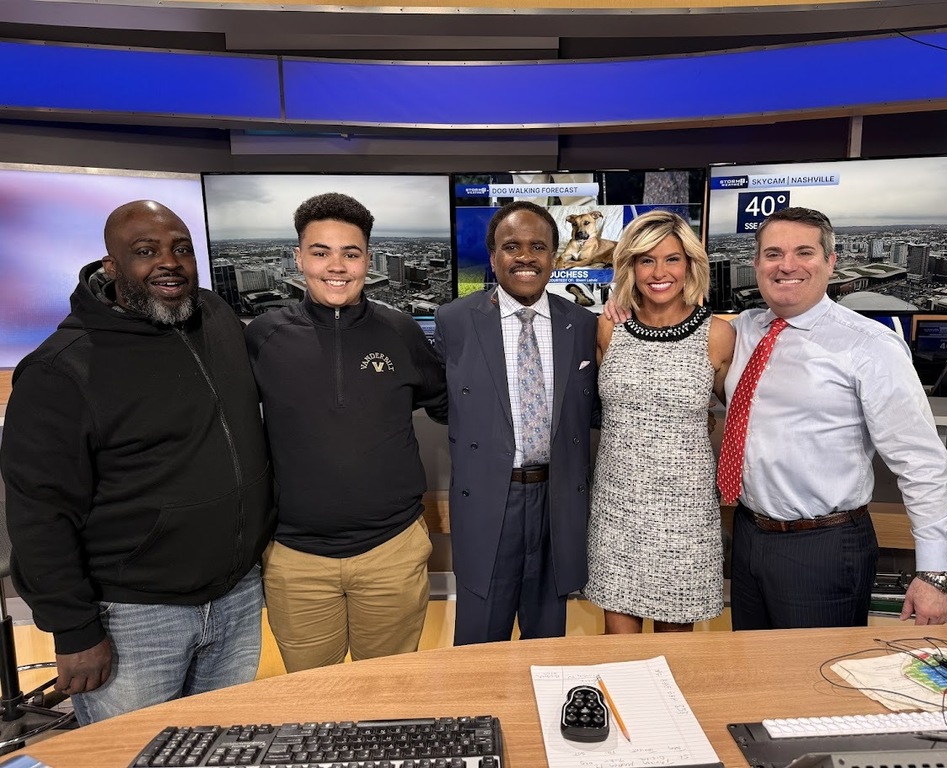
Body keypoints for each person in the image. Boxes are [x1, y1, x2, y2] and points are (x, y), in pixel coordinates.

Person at [0, 200, 274, 724]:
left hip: (236, 596)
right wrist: (75, 630)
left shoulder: (217, 319)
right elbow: (39, 515)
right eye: (145, 252)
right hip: (134, 618)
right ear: (111, 266)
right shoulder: (62, 369)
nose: (167, 263)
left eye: (181, 249)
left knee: (220, 749)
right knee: (130, 756)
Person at [721, 206, 947, 629]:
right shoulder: (745, 329)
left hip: (824, 546)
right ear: (756, 265)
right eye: (773, 254)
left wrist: (935, 572)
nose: (787, 266)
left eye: (805, 253)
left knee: (813, 686)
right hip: (748, 536)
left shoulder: (869, 345)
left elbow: (921, 462)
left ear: (831, 263)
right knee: (753, 675)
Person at [245, 192, 446, 671]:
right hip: (295, 560)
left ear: (367, 260)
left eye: (350, 253)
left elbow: (448, 406)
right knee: (312, 701)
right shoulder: (262, 336)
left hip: (391, 550)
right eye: (320, 252)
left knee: (389, 692)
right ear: (298, 258)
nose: (336, 266)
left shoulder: (401, 331)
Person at [434, 200, 599, 645]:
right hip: (489, 500)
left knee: (547, 646)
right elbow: (441, 402)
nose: (525, 256)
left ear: (554, 256)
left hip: (558, 502)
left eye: (538, 246)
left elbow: (595, 409)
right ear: (493, 257)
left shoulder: (582, 324)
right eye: (511, 246)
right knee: (478, 647)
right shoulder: (454, 321)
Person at [584, 210, 735, 634]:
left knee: (675, 651)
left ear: (690, 264)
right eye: (646, 260)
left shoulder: (718, 334)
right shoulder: (609, 329)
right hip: (617, 507)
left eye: (672, 259)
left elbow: (741, 416)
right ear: (630, 266)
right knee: (619, 652)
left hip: (684, 512)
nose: (659, 272)